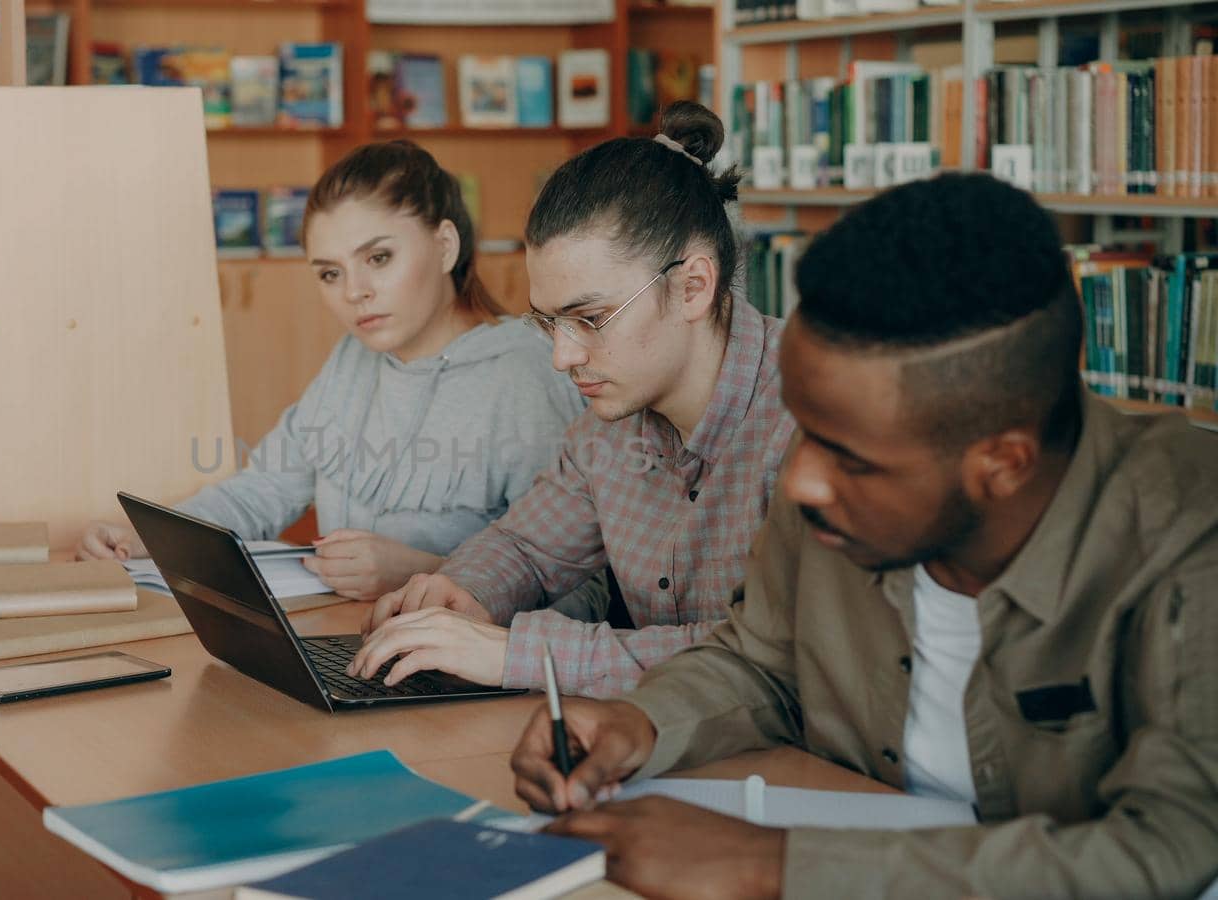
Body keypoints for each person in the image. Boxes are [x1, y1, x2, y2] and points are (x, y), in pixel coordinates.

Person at [510, 173, 1218, 899]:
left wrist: (775, 866)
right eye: (808, 431)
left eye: (851, 458)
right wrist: (639, 723)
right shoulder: (830, 488)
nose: (802, 481)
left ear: (1003, 463)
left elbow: (1170, 845)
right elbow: (759, 662)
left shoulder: (1188, 533)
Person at [348, 101, 795, 697]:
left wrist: (517, 654)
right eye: (549, 322)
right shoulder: (610, 425)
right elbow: (526, 547)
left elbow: (769, 657)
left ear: (693, 287)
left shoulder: (812, 421)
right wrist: (464, 594)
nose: (563, 357)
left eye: (589, 318)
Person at [76, 141, 587, 603]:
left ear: (445, 246)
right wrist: (143, 537)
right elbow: (265, 489)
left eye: (379, 258)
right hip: (348, 645)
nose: (353, 292)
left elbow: (579, 588)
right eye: (330, 273)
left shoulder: (528, 375)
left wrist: (432, 574)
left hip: (472, 678)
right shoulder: (353, 359)